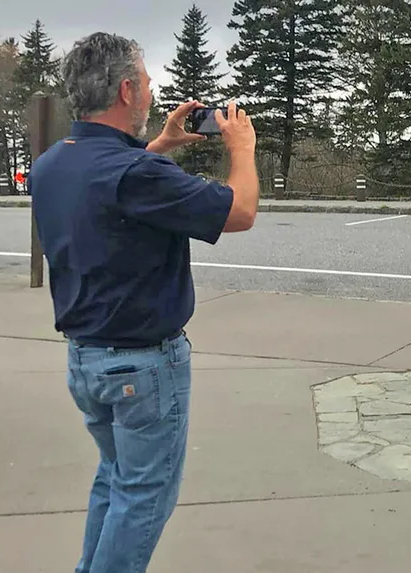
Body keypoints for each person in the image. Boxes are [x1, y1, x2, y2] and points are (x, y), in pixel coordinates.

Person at [27, 32, 259, 573]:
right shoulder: (136, 175)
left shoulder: (53, 163)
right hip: (144, 367)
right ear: (128, 90)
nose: (154, 92)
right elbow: (240, 211)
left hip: (86, 360)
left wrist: (162, 144)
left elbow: (112, 187)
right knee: (144, 497)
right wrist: (241, 149)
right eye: (149, 82)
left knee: (115, 479)